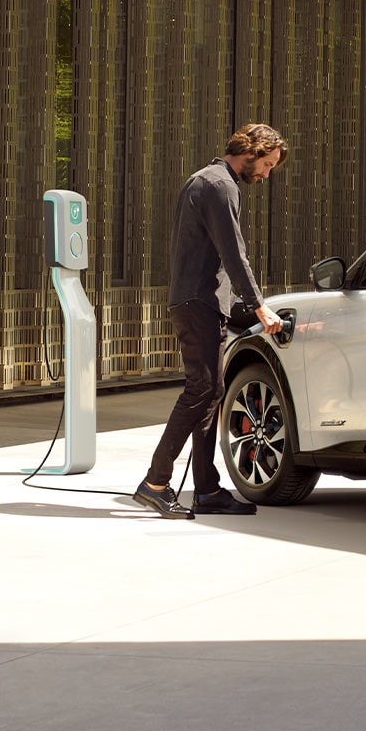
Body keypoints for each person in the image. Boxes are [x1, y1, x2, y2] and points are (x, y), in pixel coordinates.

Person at [133, 124, 287, 520]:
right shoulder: (221, 185)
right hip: (198, 302)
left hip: (199, 302)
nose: (267, 174)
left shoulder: (206, 179)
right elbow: (234, 254)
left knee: (212, 393)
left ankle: (207, 489)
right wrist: (259, 306)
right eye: (267, 164)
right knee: (203, 389)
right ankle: (154, 483)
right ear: (252, 151)